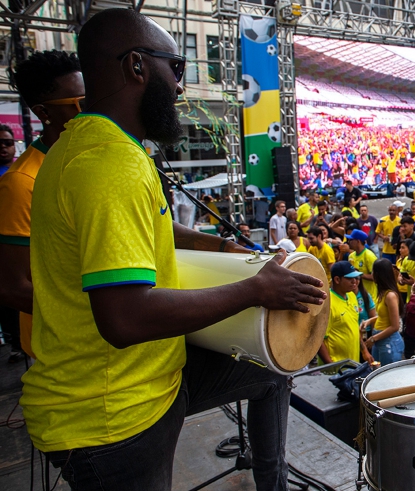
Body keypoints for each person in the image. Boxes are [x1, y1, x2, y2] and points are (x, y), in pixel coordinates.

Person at [21, 9, 327, 490]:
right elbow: (124, 318)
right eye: (177, 68)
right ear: (136, 66)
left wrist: (225, 246)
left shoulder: (94, 145)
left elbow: (159, 234)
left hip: (152, 376)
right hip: (113, 416)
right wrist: (255, 288)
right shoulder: (109, 164)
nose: (181, 88)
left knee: (270, 373)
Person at [0, 50, 84, 361]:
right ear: (43, 112)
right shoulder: (22, 182)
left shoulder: (93, 160)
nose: (93, 111)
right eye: (79, 105)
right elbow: (13, 287)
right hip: (63, 350)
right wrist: (105, 310)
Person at [319, 262, 372, 365]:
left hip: (352, 364)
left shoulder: (352, 296)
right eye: (349, 279)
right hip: (336, 369)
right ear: (337, 280)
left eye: (356, 278)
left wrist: (364, 351)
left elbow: (354, 327)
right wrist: (332, 366)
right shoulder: (327, 304)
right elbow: (319, 340)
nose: (355, 282)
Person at [362, 259, 405, 365]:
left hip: (388, 342)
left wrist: (373, 339)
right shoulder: (382, 293)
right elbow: (384, 316)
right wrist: (369, 321)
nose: (371, 274)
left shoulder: (390, 296)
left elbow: (395, 326)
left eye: (373, 272)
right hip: (380, 340)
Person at [346, 229, 377, 300]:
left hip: (368, 296)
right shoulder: (351, 256)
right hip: (355, 295)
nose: (348, 242)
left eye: (351, 240)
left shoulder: (369, 256)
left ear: (358, 241)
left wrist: (359, 274)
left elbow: (375, 277)